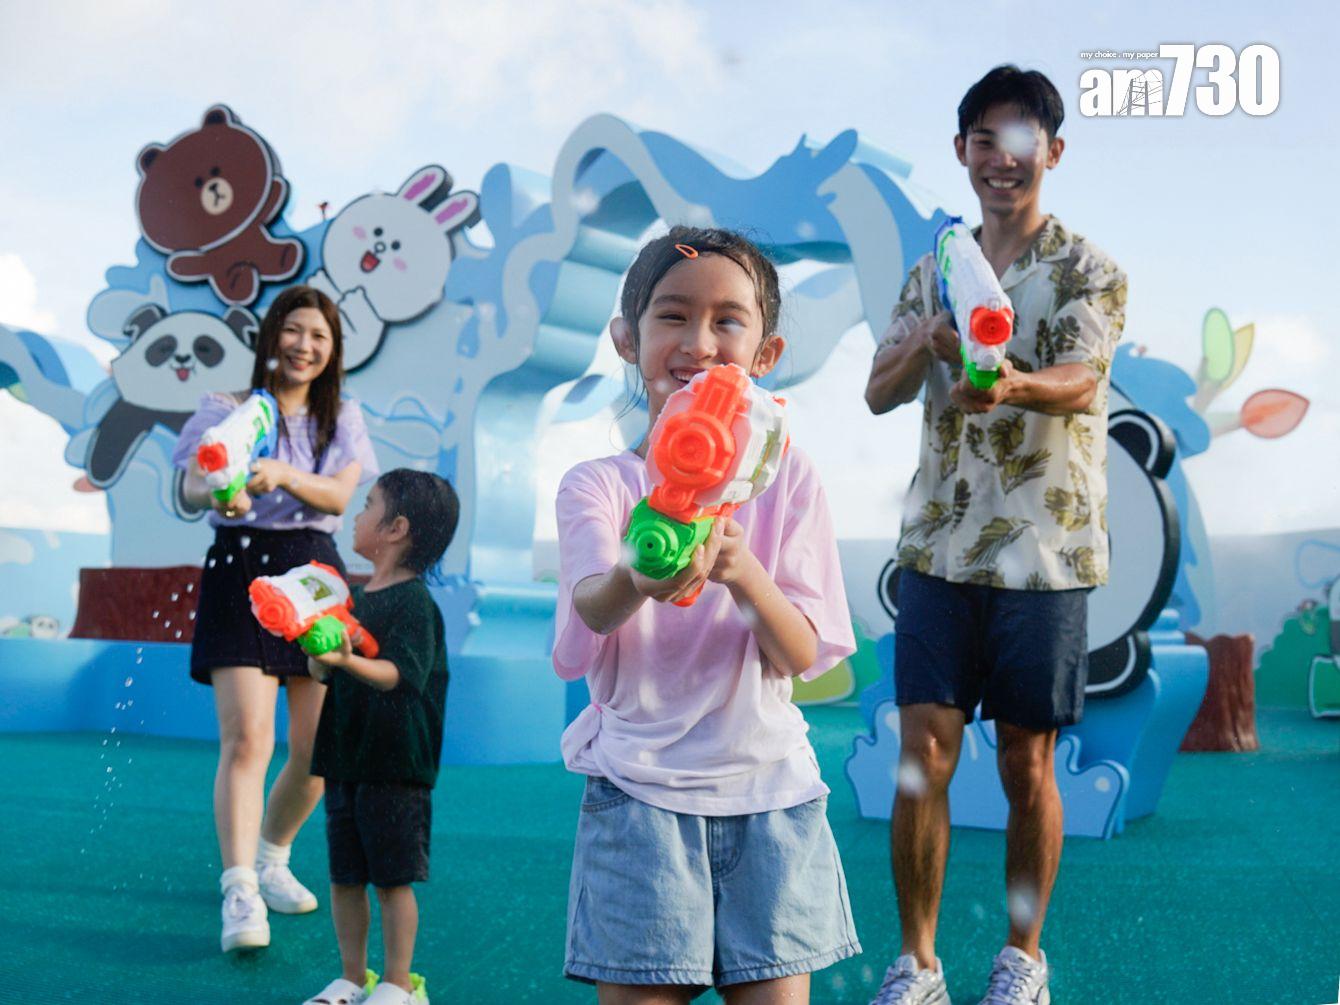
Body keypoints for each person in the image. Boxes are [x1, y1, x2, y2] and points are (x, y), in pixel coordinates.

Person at [863, 66, 1127, 1005]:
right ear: (963, 151)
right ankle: (918, 963)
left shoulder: (1090, 268)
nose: (1000, 161)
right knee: (921, 754)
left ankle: (1021, 958)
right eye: (983, 141)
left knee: (1027, 762)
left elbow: (1083, 378)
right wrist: (929, 338)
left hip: (1045, 557)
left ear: (1051, 154)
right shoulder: (931, 266)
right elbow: (877, 389)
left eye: (1020, 144)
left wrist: (1007, 380)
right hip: (939, 546)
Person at [554, 226, 861, 1003]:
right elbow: (592, 610)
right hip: (640, 798)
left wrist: (743, 569)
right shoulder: (597, 485)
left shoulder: (789, 477)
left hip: (772, 797)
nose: (699, 342)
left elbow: (799, 653)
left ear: (766, 353)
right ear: (627, 338)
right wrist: (644, 568)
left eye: (729, 320)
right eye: (671, 316)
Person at [174, 284, 379, 953]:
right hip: (238, 565)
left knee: (319, 750)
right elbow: (189, 487)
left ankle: (272, 856)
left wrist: (278, 474)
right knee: (247, 739)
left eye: (319, 337)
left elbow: (341, 494)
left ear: (333, 350)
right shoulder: (224, 407)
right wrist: (223, 488)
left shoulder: (340, 417)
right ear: (271, 337)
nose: (305, 346)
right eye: (294, 331)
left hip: (313, 573)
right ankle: (239, 889)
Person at [301, 469, 457, 1005]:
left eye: (368, 505)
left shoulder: (415, 604)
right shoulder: (356, 601)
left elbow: (398, 675)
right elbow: (329, 673)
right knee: (345, 875)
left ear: (396, 529)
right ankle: (351, 976)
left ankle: (397, 982)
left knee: (393, 879)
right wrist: (322, 660)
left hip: (395, 764)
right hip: (346, 757)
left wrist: (345, 658)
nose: (357, 516)